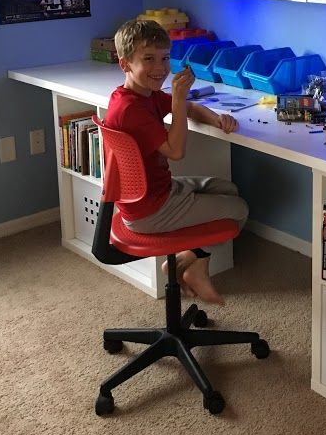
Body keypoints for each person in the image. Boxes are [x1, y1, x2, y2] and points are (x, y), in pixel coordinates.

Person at [106, 18, 248, 304]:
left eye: (165, 58)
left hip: (157, 193)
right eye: (148, 59)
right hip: (150, 210)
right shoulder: (131, 109)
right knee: (238, 209)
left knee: (227, 188)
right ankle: (196, 265)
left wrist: (217, 119)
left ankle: (186, 259)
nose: (160, 68)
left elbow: (190, 108)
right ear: (125, 64)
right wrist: (179, 99)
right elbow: (175, 150)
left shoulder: (140, 94)